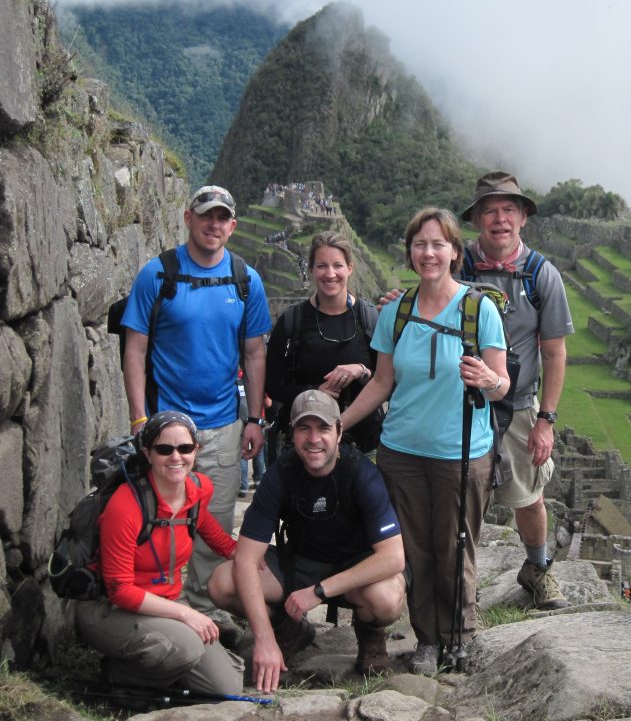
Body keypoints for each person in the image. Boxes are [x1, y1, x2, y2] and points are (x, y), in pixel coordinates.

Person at [342, 206, 509, 675]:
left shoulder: (480, 310)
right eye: (420, 244)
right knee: (413, 552)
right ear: (410, 253)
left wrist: (486, 380)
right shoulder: (396, 313)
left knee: (455, 548)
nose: (429, 252)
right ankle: (428, 641)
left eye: (439, 244)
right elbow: (380, 383)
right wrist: (340, 422)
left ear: (455, 252)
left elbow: (503, 385)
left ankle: (461, 635)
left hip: (461, 453)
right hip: (401, 453)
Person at [120, 185, 272, 626]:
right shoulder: (159, 273)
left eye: (223, 218)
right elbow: (135, 348)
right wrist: (138, 417)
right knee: (158, 521)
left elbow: (255, 352)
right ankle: (161, 609)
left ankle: (204, 615)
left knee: (215, 525)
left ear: (233, 226)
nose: (214, 225)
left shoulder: (246, 280)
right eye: (207, 216)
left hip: (223, 425)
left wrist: (255, 420)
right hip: (167, 427)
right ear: (189, 218)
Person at [209, 390, 406, 692]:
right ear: (292, 433)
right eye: (304, 428)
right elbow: (247, 557)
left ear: (339, 432)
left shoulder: (361, 473)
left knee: (387, 598)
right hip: (298, 566)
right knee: (222, 582)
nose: (314, 439)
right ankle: (286, 629)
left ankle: (370, 636)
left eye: (323, 428)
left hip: (354, 573)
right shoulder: (282, 473)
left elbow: (393, 558)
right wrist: (263, 640)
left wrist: (319, 592)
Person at [460, 172, 574, 610]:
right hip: (462, 402)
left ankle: (537, 568)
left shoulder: (541, 276)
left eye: (509, 209)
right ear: (477, 220)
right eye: (490, 210)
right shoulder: (457, 266)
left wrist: (546, 420)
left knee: (528, 497)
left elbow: (556, 353)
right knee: (459, 497)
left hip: (518, 405)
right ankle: (458, 581)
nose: (500, 219)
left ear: (523, 217)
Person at [76, 412, 243, 694]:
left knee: (226, 689)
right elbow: (120, 591)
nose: (176, 457)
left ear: (196, 450)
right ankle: (120, 676)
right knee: (186, 649)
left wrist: (247, 557)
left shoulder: (198, 490)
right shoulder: (125, 506)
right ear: (148, 453)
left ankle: (162, 669)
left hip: (166, 602)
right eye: (164, 449)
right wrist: (185, 614)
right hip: (111, 608)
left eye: (185, 448)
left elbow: (211, 532)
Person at [265, 232, 381, 452]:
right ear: (311, 270)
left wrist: (362, 371)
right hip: (308, 446)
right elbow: (273, 384)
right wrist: (314, 392)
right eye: (321, 266)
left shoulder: (370, 319)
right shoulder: (291, 322)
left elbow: (387, 383)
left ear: (350, 268)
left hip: (363, 444)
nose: (330, 274)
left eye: (337, 265)